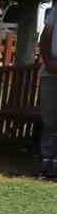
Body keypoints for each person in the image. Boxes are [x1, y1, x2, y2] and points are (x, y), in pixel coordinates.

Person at [40, 15, 57, 179]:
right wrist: (48, 61)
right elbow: (45, 36)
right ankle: (46, 164)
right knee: (50, 120)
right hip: (52, 71)